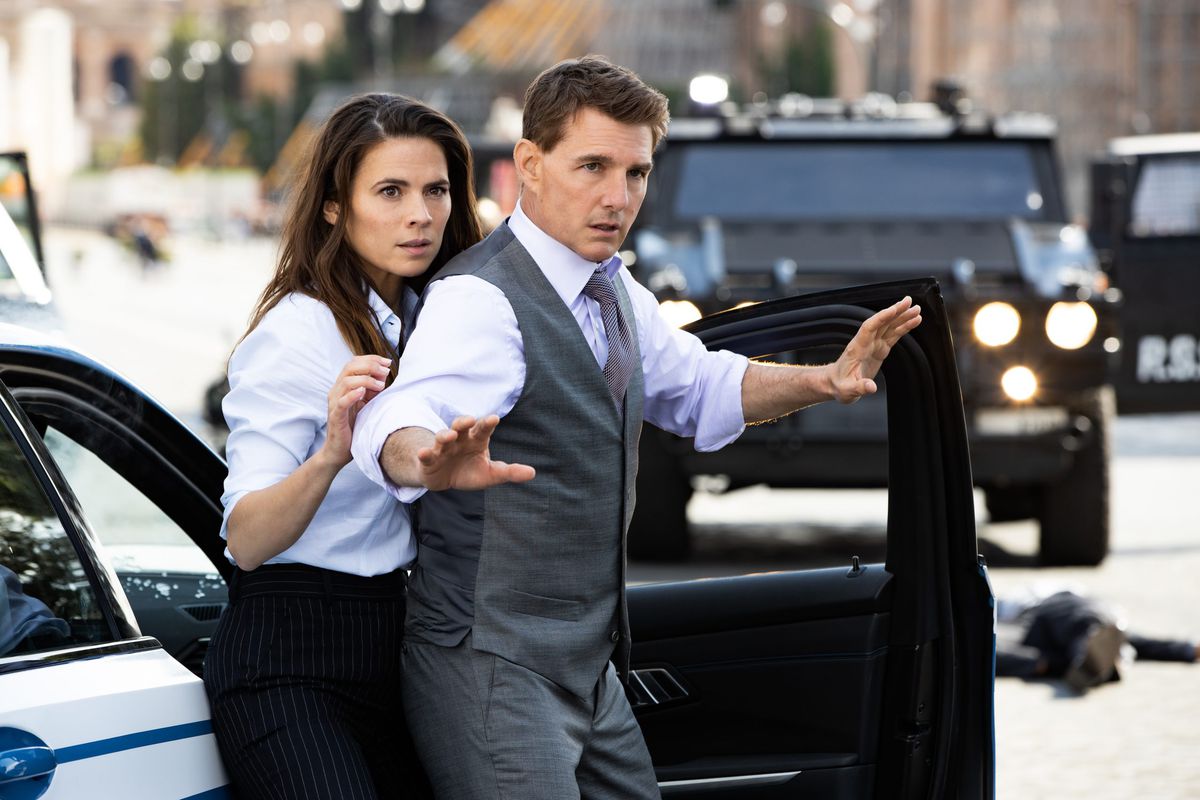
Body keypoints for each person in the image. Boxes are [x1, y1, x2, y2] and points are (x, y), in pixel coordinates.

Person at [350, 56, 922, 800]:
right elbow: (400, 415)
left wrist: (820, 381)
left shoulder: (613, 287)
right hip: (490, 667)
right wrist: (423, 462)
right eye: (592, 166)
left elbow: (701, 385)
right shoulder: (479, 300)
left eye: (636, 174)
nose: (617, 198)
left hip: (590, 669)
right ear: (529, 164)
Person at [203, 93, 484, 800]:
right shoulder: (296, 334)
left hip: (397, 638)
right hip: (288, 654)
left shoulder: (441, 319)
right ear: (334, 205)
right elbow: (247, 540)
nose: (419, 213)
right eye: (390, 191)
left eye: (436, 189)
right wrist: (332, 451)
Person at [995, 586, 1199, 693]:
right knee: (1110, 635)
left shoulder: (1024, 597)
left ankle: (1067, 664)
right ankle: (1095, 661)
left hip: (1052, 617)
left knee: (1084, 634)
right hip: (1089, 614)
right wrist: (1188, 649)